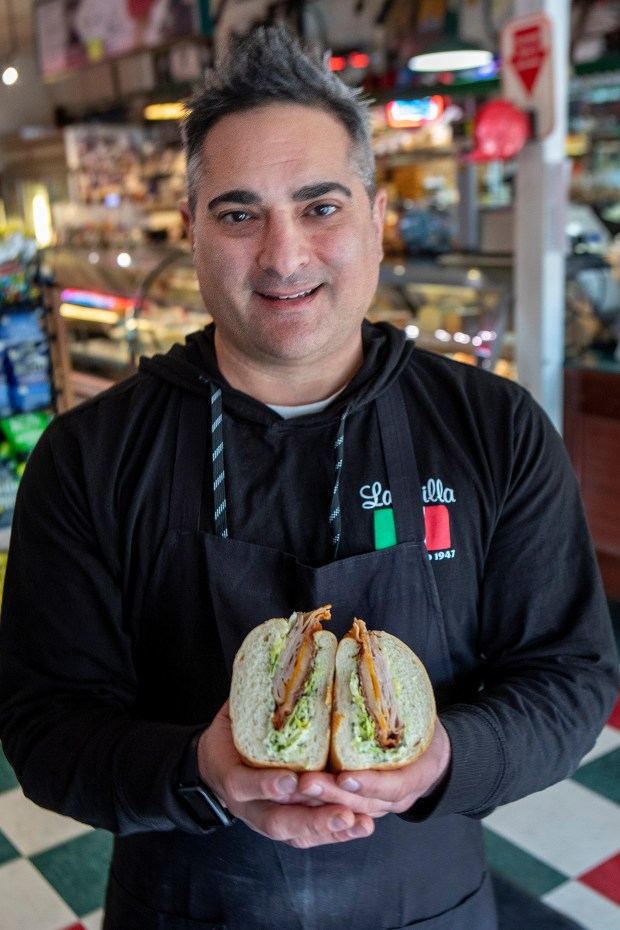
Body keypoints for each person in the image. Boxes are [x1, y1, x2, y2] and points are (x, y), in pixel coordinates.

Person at [0, 26, 618, 930]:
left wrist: (443, 756)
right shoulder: (89, 455)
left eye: (321, 207)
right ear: (193, 231)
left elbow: (569, 678)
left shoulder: (496, 430)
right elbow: (45, 729)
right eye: (239, 213)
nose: (284, 257)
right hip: (182, 905)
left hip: (431, 903)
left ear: (376, 217)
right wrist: (201, 768)